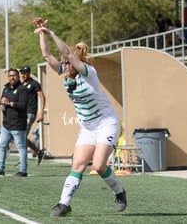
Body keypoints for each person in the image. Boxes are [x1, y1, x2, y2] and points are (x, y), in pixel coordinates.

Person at [33, 17, 127, 217]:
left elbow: (66, 52)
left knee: (100, 165)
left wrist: (52, 33)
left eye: (67, 63)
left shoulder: (88, 73)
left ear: (76, 62)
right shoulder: (66, 74)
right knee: (78, 165)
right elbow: (47, 55)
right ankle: (64, 204)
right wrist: (42, 33)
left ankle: (119, 192)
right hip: (88, 127)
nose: (64, 65)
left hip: (106, 123)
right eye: (64, 64)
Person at [0, 68, 28, 177]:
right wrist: (1, 105)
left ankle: (23, 170)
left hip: (18, 125)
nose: (12, 78)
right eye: (10, 76)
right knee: (1, 146)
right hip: (6, 125)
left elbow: (23, 105)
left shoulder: (22, 89)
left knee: (21, 147)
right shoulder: (6, 89)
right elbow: (1, 102)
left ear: (18, 77)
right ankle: (0, 169)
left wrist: (9, 103)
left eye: (14, 76)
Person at [19, 65, 47, 165]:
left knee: (21, 136)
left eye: (25, 73)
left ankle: (23, 160)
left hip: (30, 112)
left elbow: (42, 97)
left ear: (29, 73)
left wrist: (41, 112)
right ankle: (38, 152)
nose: (23, 75)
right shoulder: (21, 85)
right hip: (22, 113)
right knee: (20, 136)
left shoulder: (34, 84)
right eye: (22, 73)